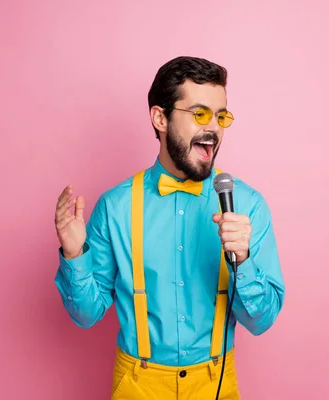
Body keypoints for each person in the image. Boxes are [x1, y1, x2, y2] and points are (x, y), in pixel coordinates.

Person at [53, 56, 285, 399]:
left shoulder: (246, 206)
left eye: (220, 116)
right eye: (200, 114)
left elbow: (260, 322)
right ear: (160, 118)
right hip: (137, 384)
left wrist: (244, 259)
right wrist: (75, 255)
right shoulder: (115, 207)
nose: (214, 129)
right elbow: (86, 315)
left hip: (215, 383)